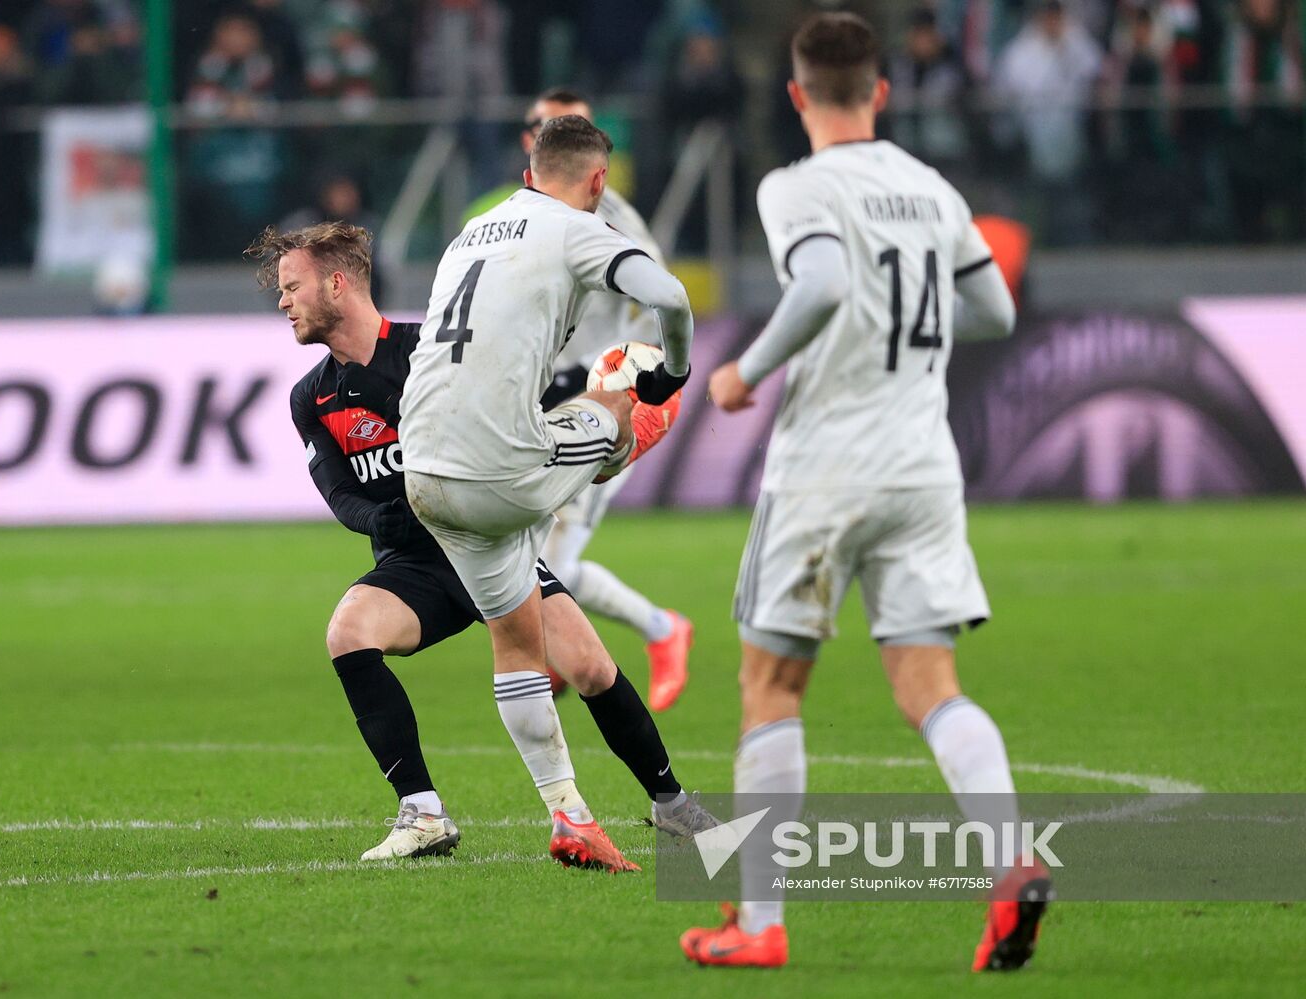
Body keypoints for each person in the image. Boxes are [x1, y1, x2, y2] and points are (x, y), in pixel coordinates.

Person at [681, 12, 1046, 972]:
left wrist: (745, 370)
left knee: (771, 685)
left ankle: (760, 925)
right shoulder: (929, 187)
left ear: (797, 95)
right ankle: (1010, 860)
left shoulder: (797, 186)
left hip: (826, 467)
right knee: (930, 684)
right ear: (880, 94)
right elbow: (995, 309)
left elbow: (825, 284)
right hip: (923, 461)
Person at [245, 221, 712, 867]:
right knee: (349, 632)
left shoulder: (432, 352)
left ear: (337, 282)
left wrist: (603, 412)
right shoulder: (312, 397)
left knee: (593, 669)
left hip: (492, 537)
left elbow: (530, 410)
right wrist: (378, 522)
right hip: (416, 562)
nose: (282, 301)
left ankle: (675, 806)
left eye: (291, 286)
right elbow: (336, 487)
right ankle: (423, 812)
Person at [398, 116, 695, 869]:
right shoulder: (573, 226)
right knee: (626, 398)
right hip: (505, 468)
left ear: (528, 170)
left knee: (539, 647)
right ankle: (614, 448)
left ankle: (573, 815)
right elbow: (671, 296)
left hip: (426, 473)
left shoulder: (472, 229)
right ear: (597, 182)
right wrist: (672, 375)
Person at [501, 89, 693, 713]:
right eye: (538, 124)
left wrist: (641, 380)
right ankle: (560, 655)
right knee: (529, 550)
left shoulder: (609, 214)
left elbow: (663, 296)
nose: (544, 133)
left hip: (600, 398)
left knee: (548, 558)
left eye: (562, 126)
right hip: (543, 395)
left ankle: (661, 630)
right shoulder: (522, 213)